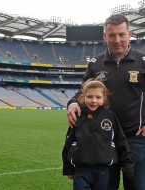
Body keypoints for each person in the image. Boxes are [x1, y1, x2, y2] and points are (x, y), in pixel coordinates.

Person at [67, 14, 145, 190]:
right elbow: (82, 91)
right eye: (112, 35)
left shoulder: (142, 61)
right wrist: (72, 104)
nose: (117, 40)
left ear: (129, 34)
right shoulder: (96, 63)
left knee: (137, 186)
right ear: (105, 37)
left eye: (121, 34)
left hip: (135, 138)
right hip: (103, 139)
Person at [62, 79, 134, 190]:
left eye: (98, 97)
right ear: (83, 98)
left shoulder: (110, 116)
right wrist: (68, 168)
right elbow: (69, 142)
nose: (93, 100)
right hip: (81, 170)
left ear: (104, 99)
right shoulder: (78, 116)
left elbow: (121, 141)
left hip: (103, 170)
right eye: (89, 97)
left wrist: (127, 165)